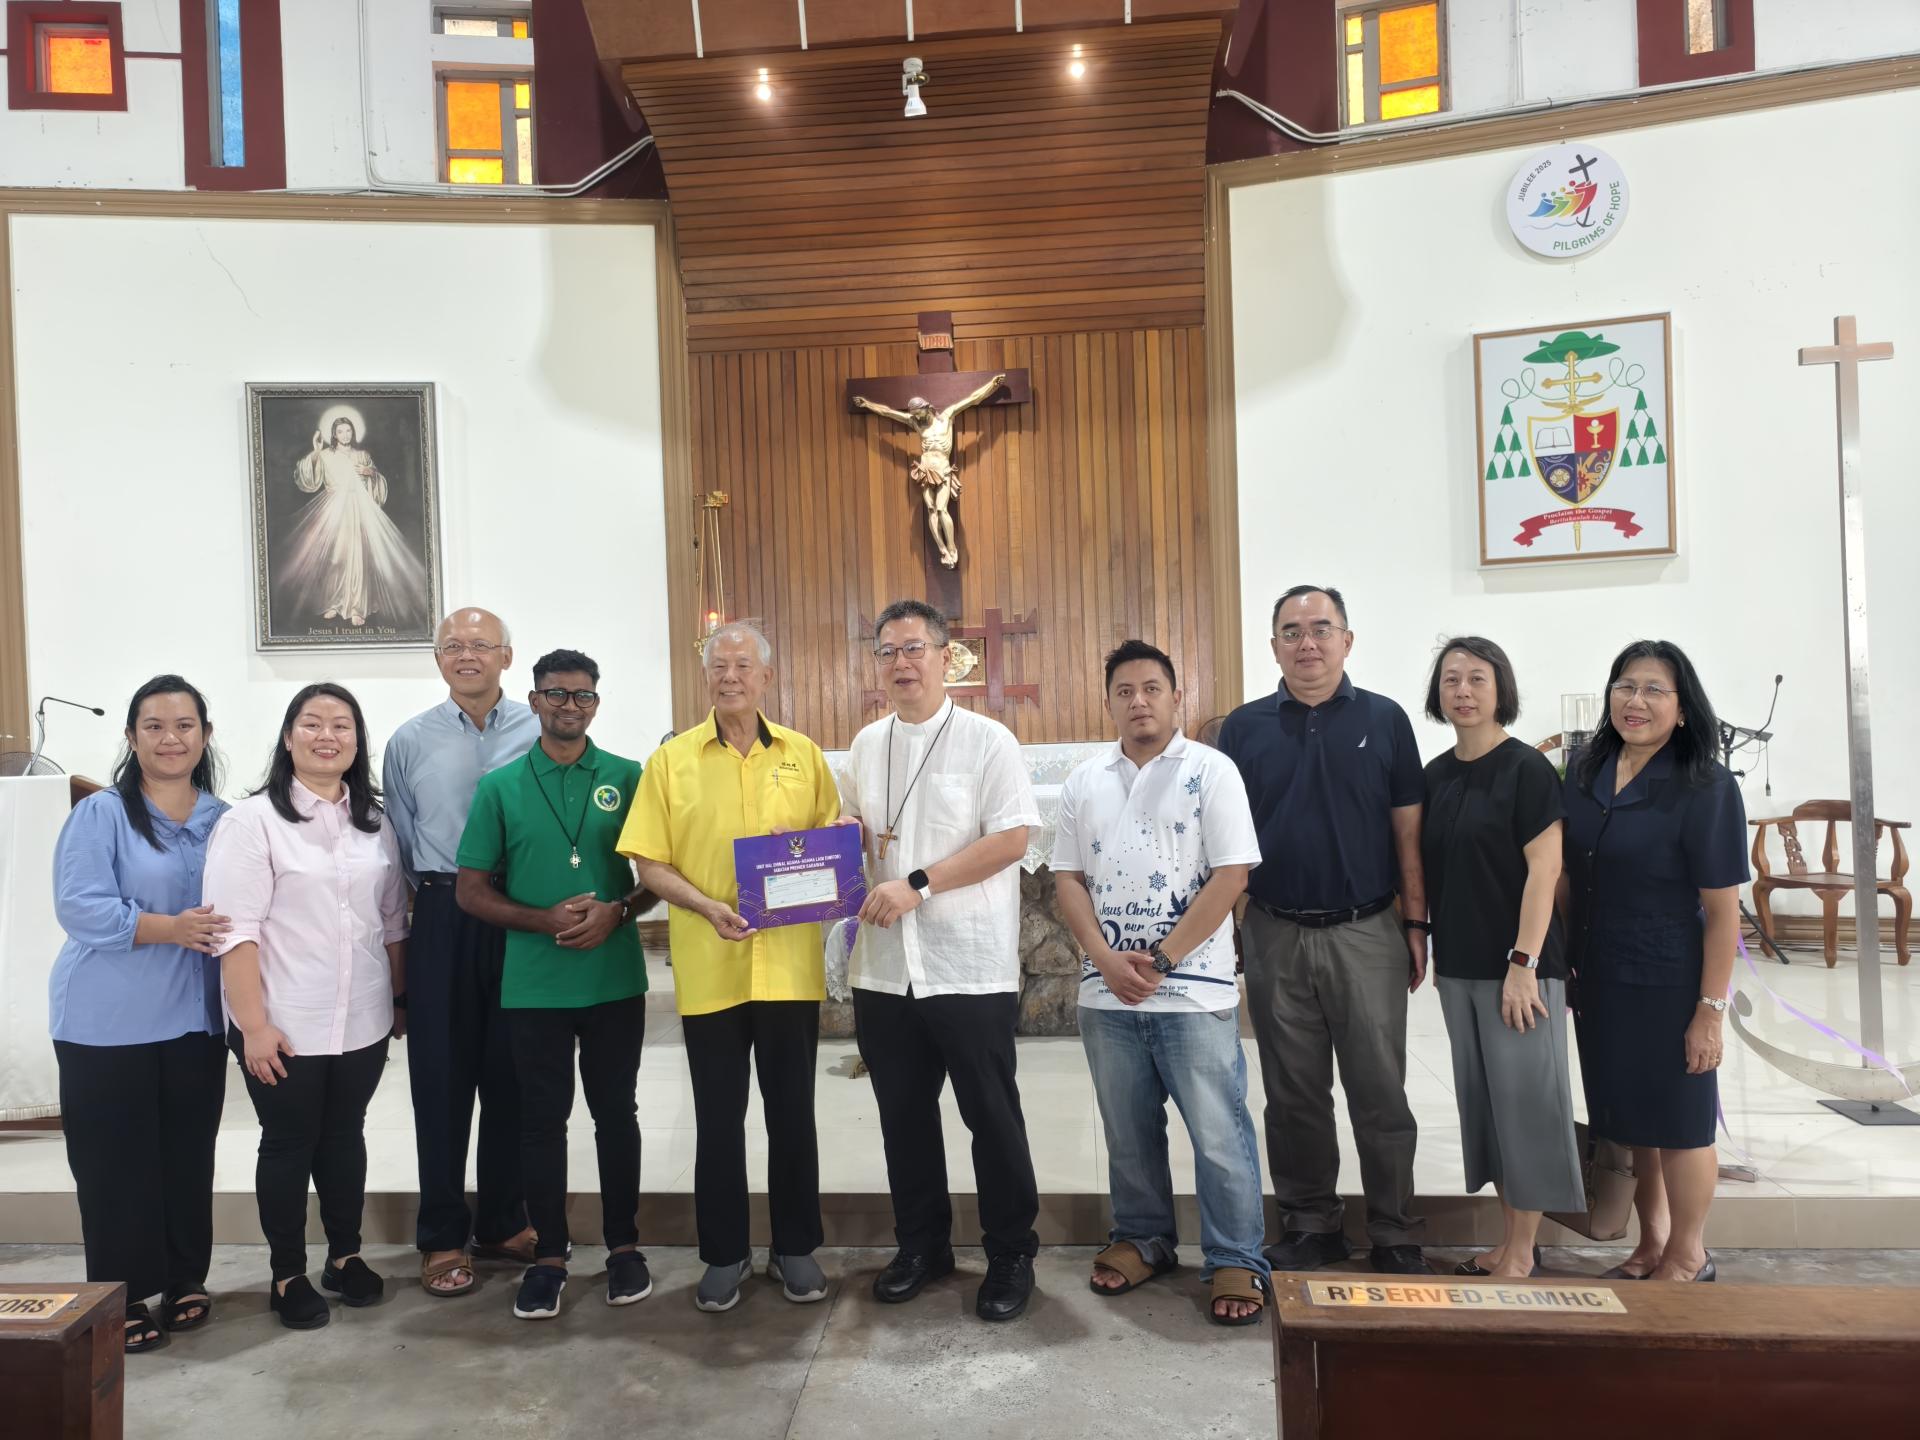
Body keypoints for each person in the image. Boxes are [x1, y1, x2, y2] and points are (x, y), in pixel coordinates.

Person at [620, 622, 842, 1313]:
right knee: (718, 1119)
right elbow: (649, 862)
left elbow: (833, 848)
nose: (730, 677)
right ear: (706, 677)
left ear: (767, 678)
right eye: (719, 666)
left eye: (744, 666)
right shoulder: (671, 762)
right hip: (711, 965)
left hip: (788, 968)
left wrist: (808, 846)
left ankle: (796, 1247)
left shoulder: (804, 756)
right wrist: (705, 905)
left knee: (792, 1114)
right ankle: (724, 1252)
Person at [1052, 641, 1269, 1326]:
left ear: (1177, 697)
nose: (1138, 701)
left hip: (1194, 989)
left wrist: (1164, 960)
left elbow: (1232, 874)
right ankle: (1143, 1237)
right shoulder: (1084, 780)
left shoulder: (1212, 770)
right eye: (1124, 691)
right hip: (1106, 991)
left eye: (1152, 688)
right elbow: (1067, 879)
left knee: (1218, 1131)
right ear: (1109, 702)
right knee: (1127, 1130)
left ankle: (1236, 1254)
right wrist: (1105, 959)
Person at [838, 599, 1042, 1322]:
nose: (901, 663)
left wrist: (919, 884)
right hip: (885, 967)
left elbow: (1013, 838)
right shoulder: (867, 745)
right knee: (903, 1116)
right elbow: (858, 829)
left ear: (946, 657)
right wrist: (835, 835)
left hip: (966, 964)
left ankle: (1011, 1252)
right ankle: (922, 1246)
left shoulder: (987, 740)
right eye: (887, 651)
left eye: (914, 648)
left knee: (991, 1114)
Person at [1218, 584, 1431, 1275]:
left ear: (1347, 639)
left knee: (1380, 1090)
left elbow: (1408, 834)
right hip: (1274, 930)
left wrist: (1416, 922)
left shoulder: (1385, 720)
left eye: (1320, 628)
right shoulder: (1243, 729)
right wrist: (1233, 930)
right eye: (1291, 631)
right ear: (1273, 645)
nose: (1306, 643)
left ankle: (1394, 1228)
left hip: (1366, 929)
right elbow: (1226, 843)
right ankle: (1312, 1223)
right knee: (1293, 1094)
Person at [455, 648, 653, 1321]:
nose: (571, 705)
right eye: (557, 694)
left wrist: (618, 910)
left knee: (616, 1114)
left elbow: (656, 875)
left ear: (597, 703)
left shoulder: (628, 777)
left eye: (583, 695)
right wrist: (541, 919)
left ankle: (625, 1246)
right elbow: (470, 891)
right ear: (535, 700)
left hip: (613, 978)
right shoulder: (500, 787)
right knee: (541, 1122)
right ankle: (549, 1256)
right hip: (535, 984)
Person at [204, 683, 409, 1330]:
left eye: (342, 725)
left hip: (363, 1017)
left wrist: (398, 998)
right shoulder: (251, 823)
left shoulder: (374, 822)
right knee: (289, 1143)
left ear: (357, 741)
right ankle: (287, 1273)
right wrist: (253, 1026)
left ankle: (344, 1257)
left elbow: (393, 921)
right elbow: (235, 933)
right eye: (312, 723)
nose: (327, 736)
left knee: (345, 1137)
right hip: (283, 1021)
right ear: (288, 736)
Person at [49, 676, 230, 1352]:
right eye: (153, 726)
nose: (170, 738)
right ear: (131, 737)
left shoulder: (224, 819)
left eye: (184, 725)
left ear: (205, 736)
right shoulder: (101, 814)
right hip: (107, 1022)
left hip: (195, 1020)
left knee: (187, 1156)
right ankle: (119, 1297)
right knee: (114, 1168)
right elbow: (80, 907)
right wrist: (170, 928)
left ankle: (184, 1278)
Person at [1564, 640, 1747, 1283]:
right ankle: (1652, 1243)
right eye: (1625, 686)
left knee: (1682, 1124)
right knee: (1634, 1121)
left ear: (1683, 707)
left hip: (1670, 981)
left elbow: (1723, 913)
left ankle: (1689, 1253)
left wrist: (1710, 1012)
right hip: (1601, 977)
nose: (1635, 701)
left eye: (1653, 690)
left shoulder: (1705, 785)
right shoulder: (1586, 770)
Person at [384, 607, 540, 1298]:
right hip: (443, 912)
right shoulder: (408, 740)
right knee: (441, 1079)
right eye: (453, 645)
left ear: (507, 655)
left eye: (480, 645)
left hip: (519, 911)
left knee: (514, 1072)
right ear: (438, 659)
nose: (466, 655)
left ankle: (504, 1220)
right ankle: (443, 1234)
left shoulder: (541, 729)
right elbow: (398, 842)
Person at [1420, 638, 1583, 1279]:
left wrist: (1523, 963)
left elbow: (1545, 871)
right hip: (1460, 966)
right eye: (1451, 679)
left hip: (1521, 970)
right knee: (1487, 1107)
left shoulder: (1527, 770)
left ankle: (1521, 1250)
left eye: (1477, 678)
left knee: (1527, 1107)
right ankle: (1508, 1240)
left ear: (1500, 689)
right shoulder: (1435, 775)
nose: (1462, 690)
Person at [284, 413, 429, 630]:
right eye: (340, 431)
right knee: (335, 556)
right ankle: (334, 602)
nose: (345, 434)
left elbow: (378, 484)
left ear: (353, 432)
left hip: (359, 510)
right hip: (334, 510)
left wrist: (371, 473)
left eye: (348, 430)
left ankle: (356, 608)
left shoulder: (362, 455)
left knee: (359, 556)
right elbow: (307, 479)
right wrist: (315, 451)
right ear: (334, 434)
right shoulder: (325, 455)